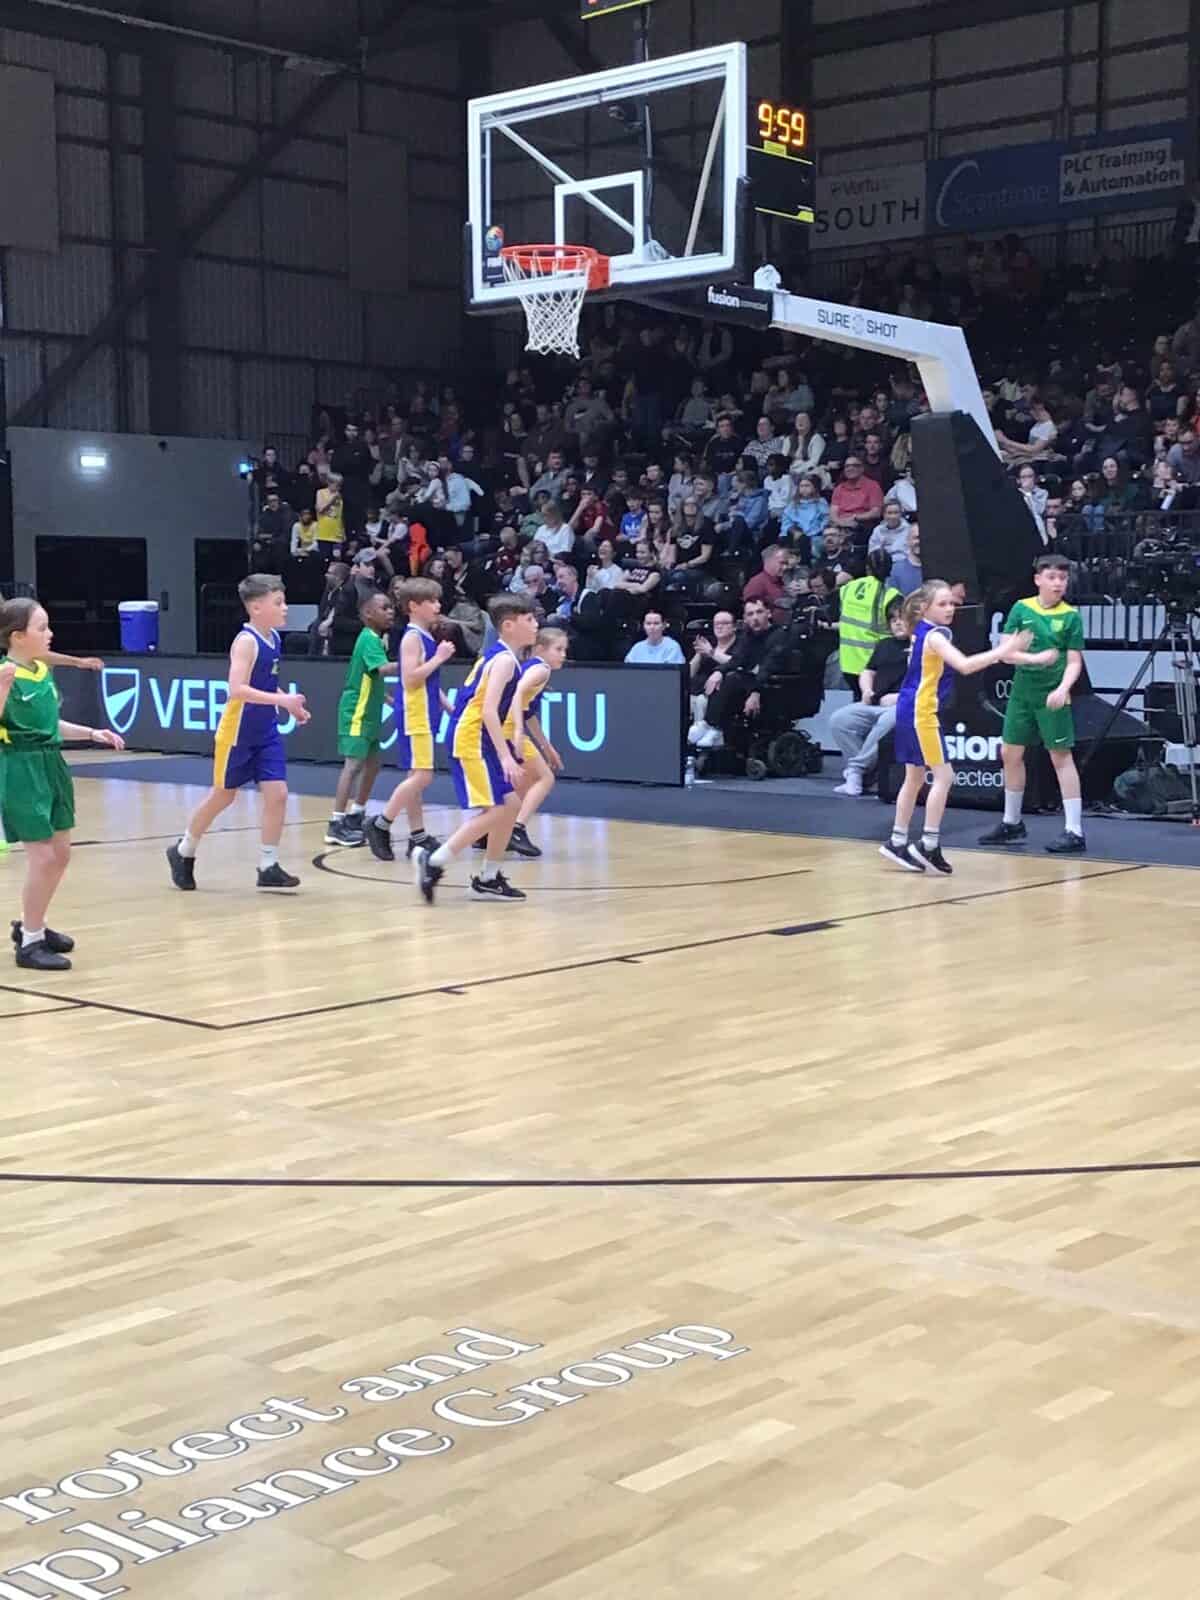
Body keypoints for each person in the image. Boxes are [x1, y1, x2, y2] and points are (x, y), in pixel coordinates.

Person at [0, 598, 125, 971]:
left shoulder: (41, 671)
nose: (50, 634)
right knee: (42, 856)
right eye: (42, 628)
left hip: (52, 763)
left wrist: (92, 733)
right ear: (18, 637)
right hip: (20, 767)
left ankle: (32, 924)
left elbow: (50, 724)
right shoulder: (4, 674)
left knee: (61, 853)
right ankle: (30, 943)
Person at [166, 574, 310, 893]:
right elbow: (237, 689)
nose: (285, 608)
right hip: (238, 733)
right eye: (278, 602)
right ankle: (184, 850)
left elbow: (267, 685)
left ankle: (268, 865)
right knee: (223, 795)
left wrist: (288, 704)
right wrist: (282, 701)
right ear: (256, 608)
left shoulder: (274, 638)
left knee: (278, 794)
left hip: (266, 731)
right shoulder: (246, 642)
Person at [881, 582, 1029, 875]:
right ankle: (928, 844)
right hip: (921, 713)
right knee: (944, 776)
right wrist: (1004, 649)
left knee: (914, 777)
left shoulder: (921, 629)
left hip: (910, 708)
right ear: (924, 607)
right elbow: (965, 666)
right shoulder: (935, 636)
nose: (950, 609)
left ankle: (897, 840)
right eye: (943, 604)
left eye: (952, 603)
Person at [414, 594, 540, 905]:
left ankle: (488, 879)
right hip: (472, 738)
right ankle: (434, 861)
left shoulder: (502, 656)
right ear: (508, 626)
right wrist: (505, 755)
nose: (536, 624)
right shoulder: (504, 661)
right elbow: (487, 710)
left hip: (480, 736)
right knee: (496, 810)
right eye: (529, 619)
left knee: (510, 805)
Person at [978, 554, 1089, 854]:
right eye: (1052, 577)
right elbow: (1005, 653)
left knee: (1060, 756)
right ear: (1038, 579)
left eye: (1062, 578)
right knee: (1010, 753)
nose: (1058, 583)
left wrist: (1064, 688)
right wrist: (1035, 658)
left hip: (1052, 694)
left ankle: (1074, 830)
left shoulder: (1071, 616)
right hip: (1022, 692)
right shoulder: (1021, 608)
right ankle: (1012, 822)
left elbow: (1074, 661)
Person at [365, 578, 457, 864]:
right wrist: (439, 658)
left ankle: (417, 835)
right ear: (414, 606)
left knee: (414, 777)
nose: (438, 606)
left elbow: (428, 680)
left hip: (426, 710)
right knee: (423, 776)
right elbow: (410, 678)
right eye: (432, 601)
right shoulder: (412, 638)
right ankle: (381, 823)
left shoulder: (424, 635)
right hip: (415, 713)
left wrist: (449, 707)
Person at [324, 591, 399, 847]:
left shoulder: (375, 639)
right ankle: (336, 824)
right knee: (353, 765)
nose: (390, 611)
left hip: (371, 712)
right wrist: (411, 661)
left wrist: (388, 699)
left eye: (391, 607)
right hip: (357, 711)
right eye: (384, 608)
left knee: (373, 764)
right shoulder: (369, 638)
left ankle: (357, 813)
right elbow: (383, 669)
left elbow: (370, 677)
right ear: (368, 613)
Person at [829, 598, 908, 797]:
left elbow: (927, 683)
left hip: (903, 705)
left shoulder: (922, 646)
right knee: (840, 719)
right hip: (875, 702)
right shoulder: (884, 644)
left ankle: (855, 770)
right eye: (893, 620)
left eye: (902, 618)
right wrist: (866, 690)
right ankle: (868, 776)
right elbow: (868, 672)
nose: (897, 623)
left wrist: (900, 697)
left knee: (890, 718)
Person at [506, 625, 569, 859]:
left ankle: (494, 830)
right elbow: (517, 693)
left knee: (520, 783)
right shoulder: (541, 669)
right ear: (540, 648)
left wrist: (546, 746)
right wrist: (517, 731)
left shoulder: (531, 666)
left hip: (505, 727)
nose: (563, 655)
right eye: (558, 649)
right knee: (545, 778)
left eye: (565, 650)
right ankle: (516, 829)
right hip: (508, 728)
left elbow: (528, 713)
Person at [838, 549, 901, 696]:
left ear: (867, 568)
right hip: (874, 666)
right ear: (890, 570)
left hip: (848, 664)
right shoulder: (891, 596)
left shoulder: (847, 589)